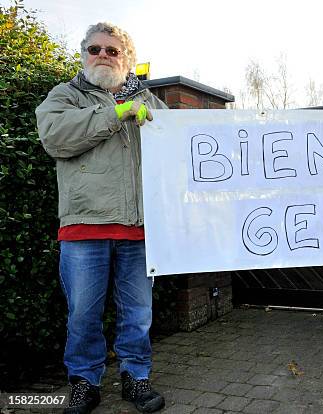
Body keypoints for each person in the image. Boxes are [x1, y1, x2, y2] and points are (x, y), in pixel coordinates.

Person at [36, 22, 167, 413]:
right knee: (83, 314)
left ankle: (135, 376)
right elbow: (56, 137)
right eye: (95, 49)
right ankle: (84, 382)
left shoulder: (151, 101)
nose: (103, 55)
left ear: (126, 59)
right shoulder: (65, 95)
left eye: (112, 50)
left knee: (139, 313)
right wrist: (118, 111)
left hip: (139, 228)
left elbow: (184, 144)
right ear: (83, 54)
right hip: (84, 226)